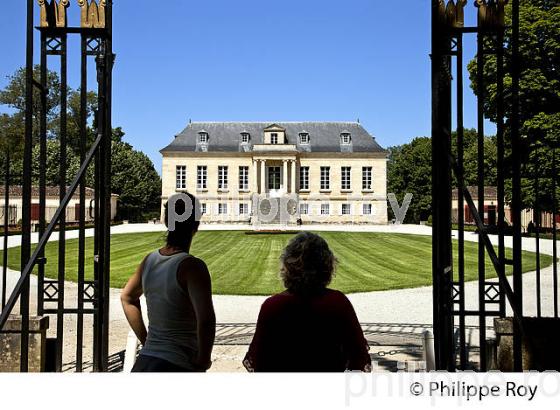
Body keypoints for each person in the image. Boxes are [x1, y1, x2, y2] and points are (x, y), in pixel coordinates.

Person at [243, 232, 371, 372]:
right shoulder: (338, 303)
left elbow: (260, 361)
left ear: (287, 266)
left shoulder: (273, 306)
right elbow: (358, 357)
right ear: (327, 266)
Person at [121, 193, 216, 372]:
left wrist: (146, 340)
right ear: (196, 224)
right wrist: (203, 359)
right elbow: (206, 320)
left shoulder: (149, 261)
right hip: (177, 363)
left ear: (166, 221)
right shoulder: (193, 267)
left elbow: (127, 297)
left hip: (145, 362)